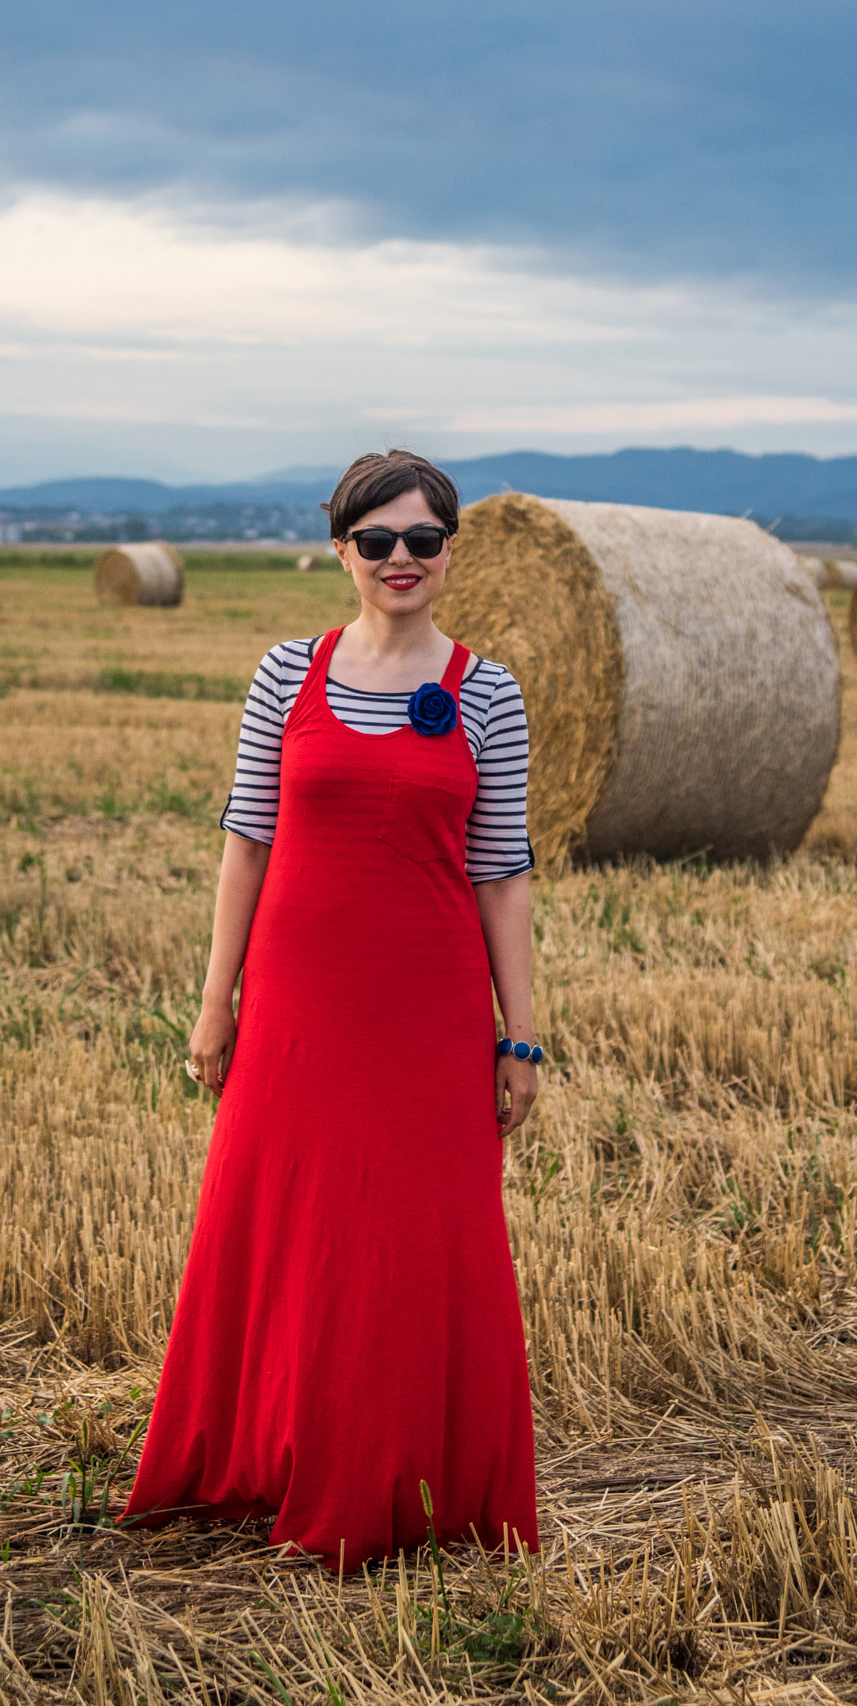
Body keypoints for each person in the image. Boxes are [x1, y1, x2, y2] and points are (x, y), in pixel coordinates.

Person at [122, 450, 540, 1567]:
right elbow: (245, 837)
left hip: (428, 1006)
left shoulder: (488, 692)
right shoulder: (284, 673)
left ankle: (398, 1486)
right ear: (340, 549)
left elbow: (501, 872)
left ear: (450, 551)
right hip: (300, 1000)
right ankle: (270, 1456)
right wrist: (217, 1000)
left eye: (423, 539)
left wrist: (521, 1033)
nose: (401, 559)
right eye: (377, 539)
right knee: (279, 1225)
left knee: (412, 1243)